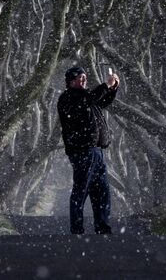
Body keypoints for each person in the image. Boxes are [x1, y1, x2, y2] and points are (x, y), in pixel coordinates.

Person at [57, 65, 120, 234]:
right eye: (79, 77)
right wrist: (105, 85)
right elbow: (89, 100)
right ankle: (77, 229)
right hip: (82, 151)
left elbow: (102, 102)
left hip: (97, 151)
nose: (84, 79)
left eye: (84, 76)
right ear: (71, 82)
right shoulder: (68, 98)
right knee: (81, 190)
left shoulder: (86, 97)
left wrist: (113, 89)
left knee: (102, 191)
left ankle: (103, 227)